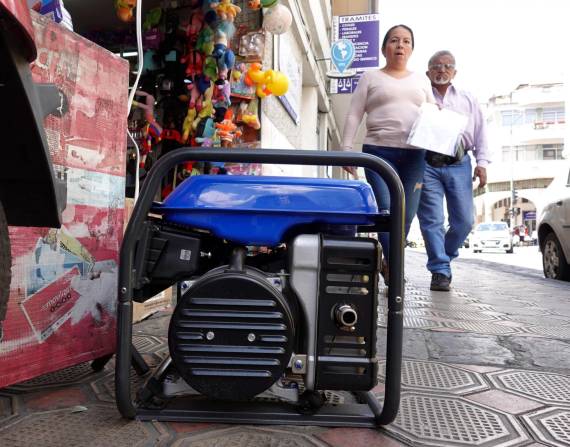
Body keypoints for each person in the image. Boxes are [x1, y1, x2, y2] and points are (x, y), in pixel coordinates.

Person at [341, 24, 435, 283]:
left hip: (414, 156)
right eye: (394, 40)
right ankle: (395, 270)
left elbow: (434, 115)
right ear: (384, 48)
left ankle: (389, 261)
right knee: (385, 211)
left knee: (406, 214)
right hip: (378, 153)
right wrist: (346, 149)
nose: (400, 45)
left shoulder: (421, 81)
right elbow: (354, 113)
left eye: (406, 41)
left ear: (412, 49)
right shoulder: (371, 76)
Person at [416, 50, 490, 291]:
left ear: (454, 72)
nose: (442, 70)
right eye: (436, 66)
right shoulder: (419, 95)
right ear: (428, 72)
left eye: (447, 66)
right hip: (426, 163)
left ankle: (444, 256)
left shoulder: (468, 99)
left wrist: (482, 163)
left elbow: (481, 133)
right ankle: (439, 270)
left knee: (465, 220)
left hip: (459, 163)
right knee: (432, 220)